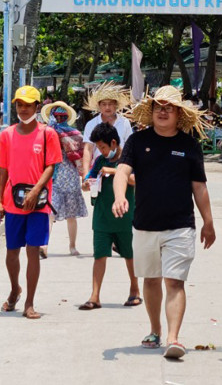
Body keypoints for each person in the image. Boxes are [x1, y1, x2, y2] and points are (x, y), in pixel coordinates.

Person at [112, 85, 216, 359]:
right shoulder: (137, 141)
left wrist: (208, 221)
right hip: (144, 224)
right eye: (159, 106)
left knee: (175, 282)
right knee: (151, 279)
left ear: (179, 114)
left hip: (180, 226)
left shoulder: (189, 145)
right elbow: (122, 172)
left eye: (169, 107)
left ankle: (173, 337)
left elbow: (199, 186)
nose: (163, 110)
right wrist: (119, 197)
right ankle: (155, 329)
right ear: (152, 110)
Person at [0, 86, 62, 320]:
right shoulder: (7, 135)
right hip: (13, 202)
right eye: (19, 105)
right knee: (12, 251)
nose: (23, 109)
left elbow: (51, 166)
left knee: (33, 251)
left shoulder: (48, 134)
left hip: (39, 202)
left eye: (28, 105)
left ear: (37, 107)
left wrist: (35, 191)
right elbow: (3, 168)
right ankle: (15, 289)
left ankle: (29, 303)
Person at [78, 123, 141, 310]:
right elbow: (89, 177)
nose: (101, 151)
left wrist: (114, 171)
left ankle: (135, 290)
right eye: (98, 147)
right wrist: (86, 184)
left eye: (103, 147)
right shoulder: (99, 161)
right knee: (99, 255)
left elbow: (135, 180)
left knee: (129, 255)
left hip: (125, 216)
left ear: (114, 143)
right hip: (102, 216)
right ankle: (95, 296)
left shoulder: (129, 160)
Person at [40, 100, 87, 257]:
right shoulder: (50, 133)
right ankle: (49, 245)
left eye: (62, 116)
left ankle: (61, 245)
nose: (59, 119)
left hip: (60, 175)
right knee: (55, 213)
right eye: (58, 116)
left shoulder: (50, 133)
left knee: (58, 214)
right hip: (58, 174)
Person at [82, 82, 132, 178]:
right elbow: (88, 149)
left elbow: (129, 146)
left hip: (121, 167)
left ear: (116, 105)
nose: (107, 107)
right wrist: (86, 173)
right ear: (99, 106)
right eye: (104, 104)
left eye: (110, 104)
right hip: (98, 168)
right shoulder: (91, 124)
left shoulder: (125, 122)